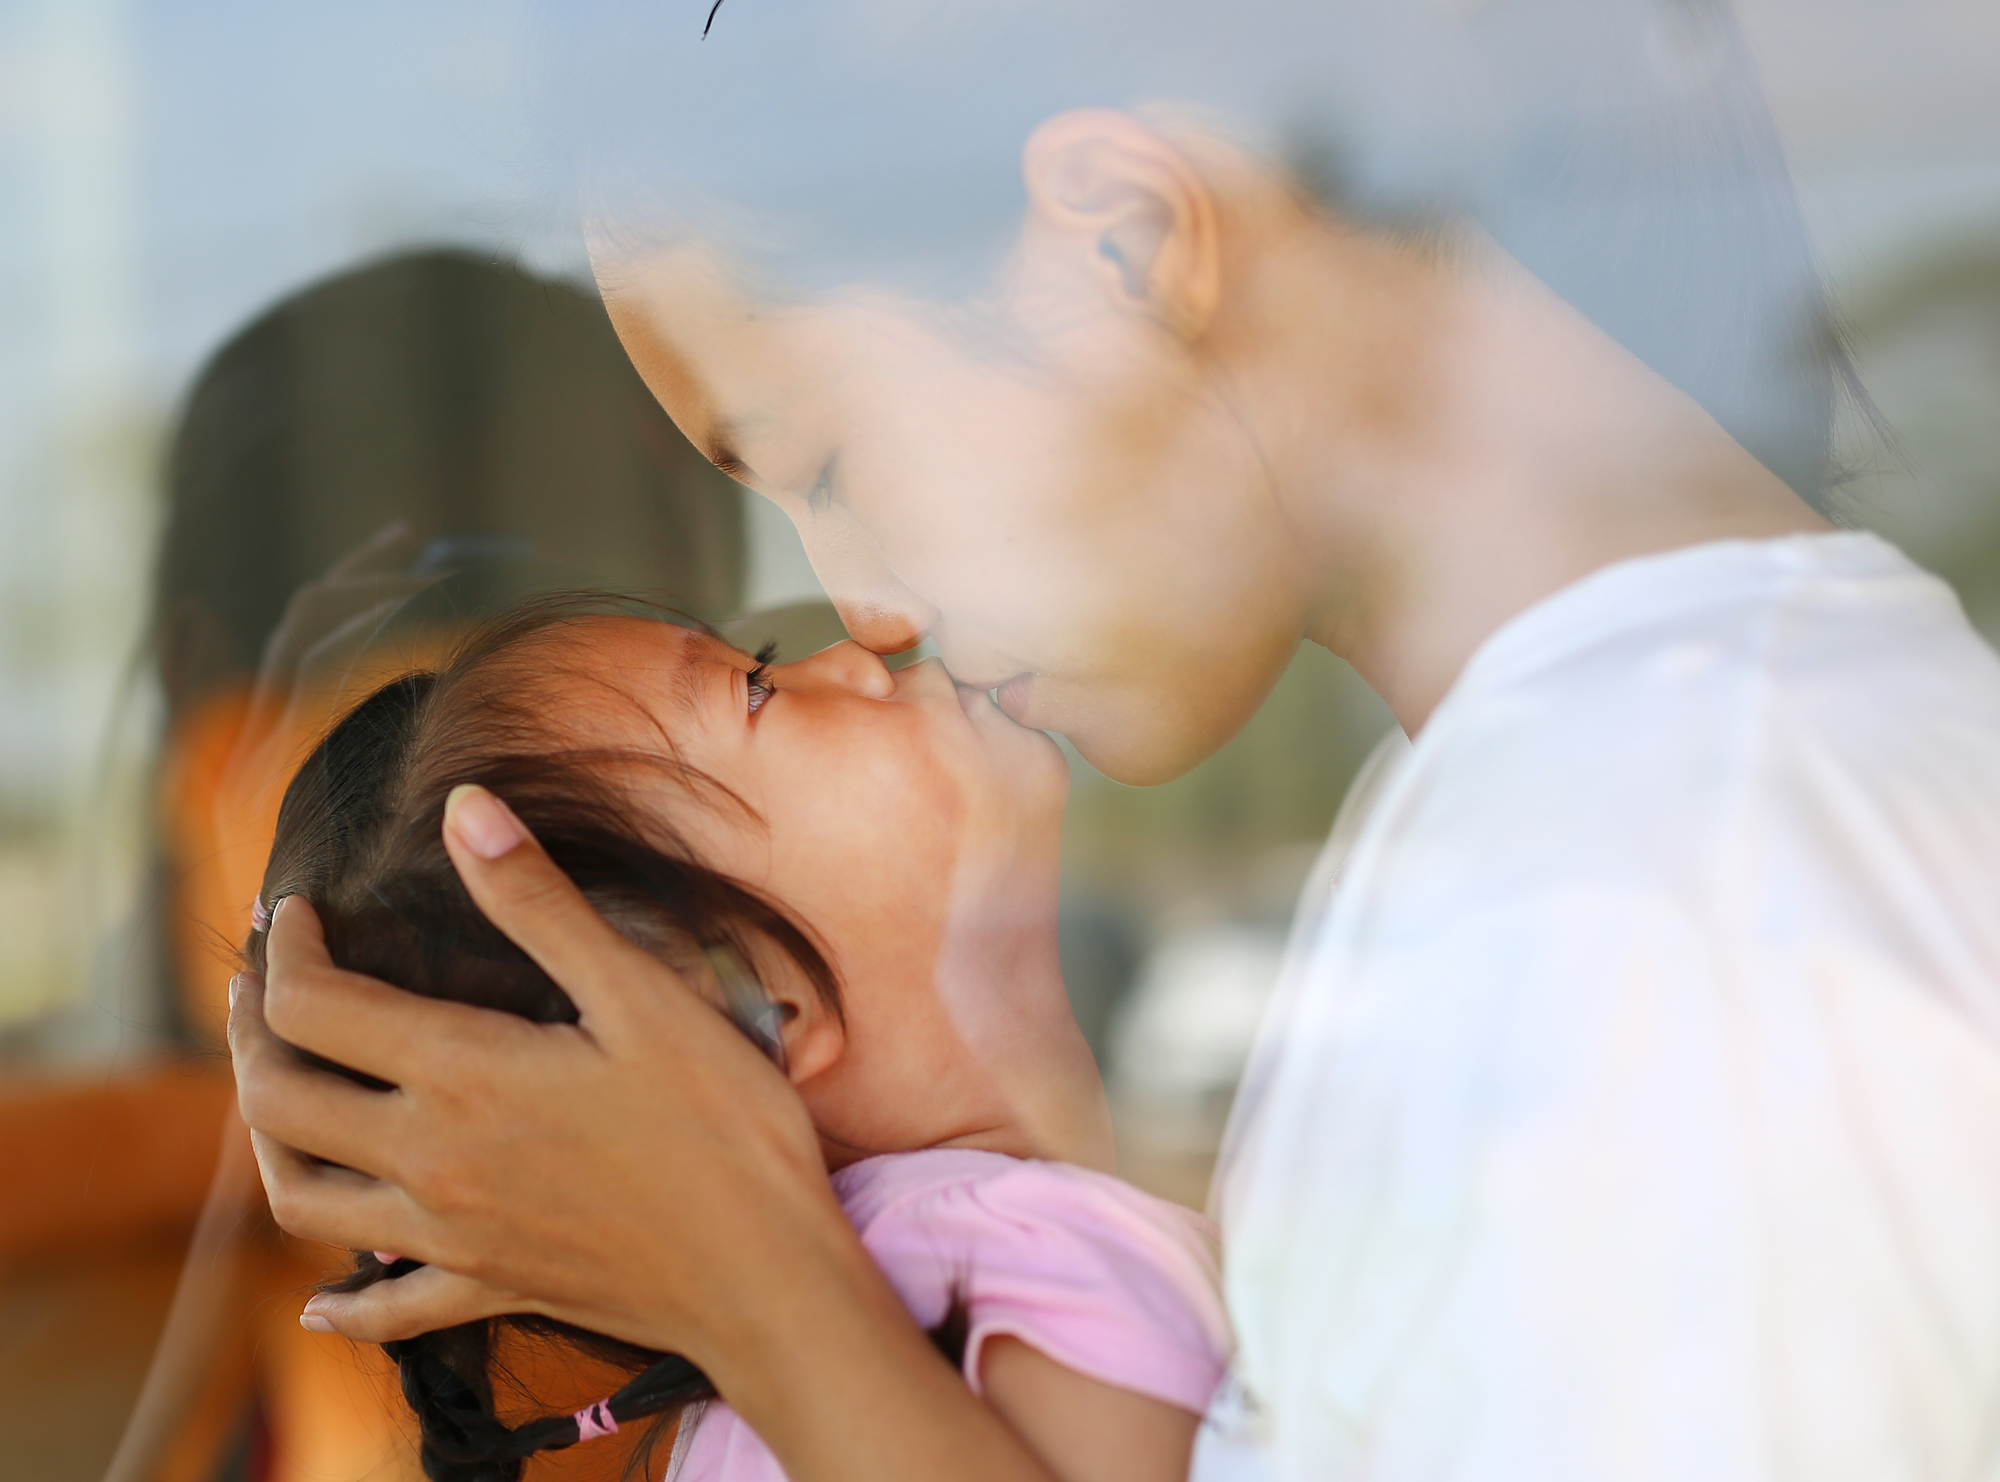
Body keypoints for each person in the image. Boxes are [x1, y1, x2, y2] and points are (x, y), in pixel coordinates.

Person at [231, 3, 2000, 1479]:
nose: (865, 611)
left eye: (822, 458)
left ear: (1128, 232)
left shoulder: (1676, 894)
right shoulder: (1568, 825)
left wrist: (745, 1276)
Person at [243, 595, 1229, 1482]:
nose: (854, 653)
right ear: (747, 1007)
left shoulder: (760, 1397)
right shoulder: (1016, 1264)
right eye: (756, 688)